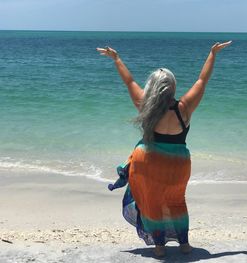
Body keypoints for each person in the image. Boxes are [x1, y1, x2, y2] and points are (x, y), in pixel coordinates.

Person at [96, 40, 232, 257]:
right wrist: (212, 54)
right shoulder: (185, 107)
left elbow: (129, 81)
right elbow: (202, 80)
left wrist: (117, 59)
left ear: (152, 87)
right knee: (178, 202)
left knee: (154, 203)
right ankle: (184, 244)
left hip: (148, 161)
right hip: (178, 164)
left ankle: (159, 247)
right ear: (173, 87)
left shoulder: (145, 105)